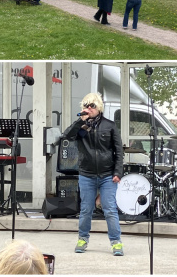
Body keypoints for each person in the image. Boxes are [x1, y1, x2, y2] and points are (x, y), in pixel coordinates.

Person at [62, 92, 124, 256]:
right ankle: (82, 239)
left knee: (109, 209)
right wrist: (79, 121)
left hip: (107, 175)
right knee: (86, 209)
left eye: (92, 106)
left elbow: (119, 151)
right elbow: (67, 136)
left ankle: (116, 242)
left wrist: (118, 172)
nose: (88, 108)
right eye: (86, 106)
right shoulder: (81, 127)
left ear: (99, 108)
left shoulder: (109, 126)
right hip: (87, 174)